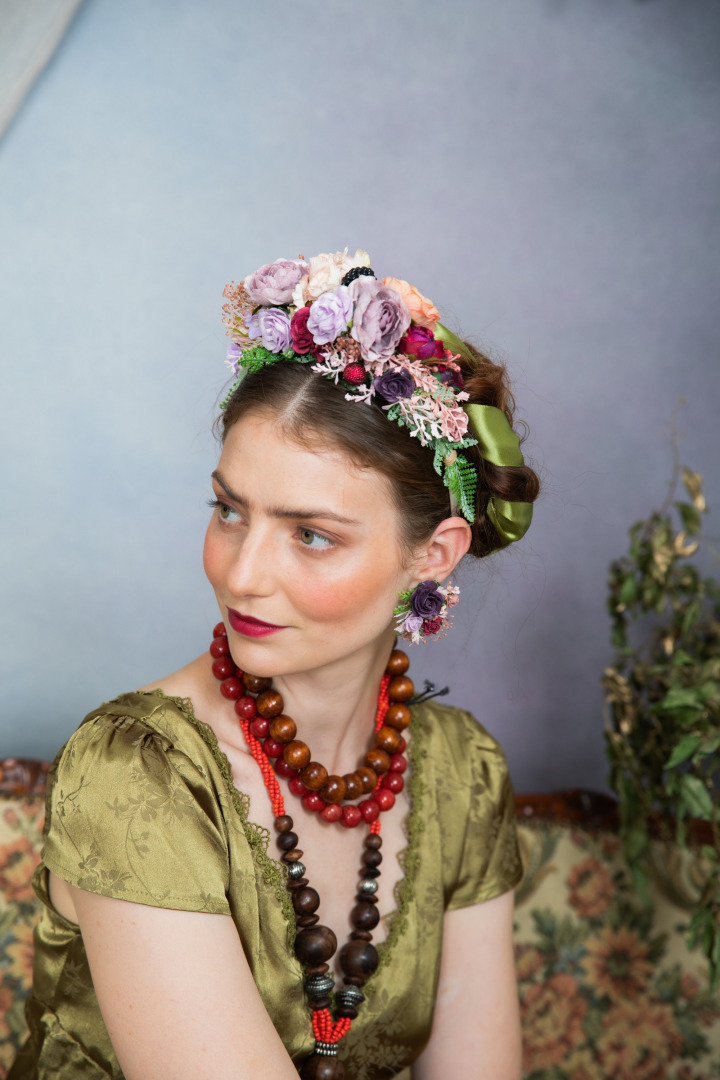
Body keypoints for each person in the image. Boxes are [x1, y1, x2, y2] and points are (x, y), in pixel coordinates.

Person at [10, 249, 539, 1080]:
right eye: (229, 511)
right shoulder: (138, 773)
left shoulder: (460, 774)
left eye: (311, 534)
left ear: (433, 554)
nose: (242, 574)